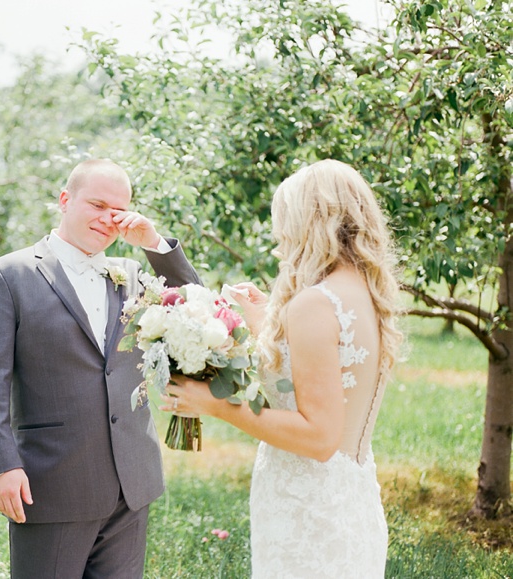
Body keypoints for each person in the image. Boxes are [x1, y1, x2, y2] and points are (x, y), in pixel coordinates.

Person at [161, 159, 402, 578]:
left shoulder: (315, 303)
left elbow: (320, 437)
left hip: (308, 514)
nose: (280, 235)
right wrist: (264, 323)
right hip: (349, 502)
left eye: (284, 220)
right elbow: (322, 378)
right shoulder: (366, 292)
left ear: (310, 221)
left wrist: (214, 405)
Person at [0, 158, 201, 578]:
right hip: (52, 485)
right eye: (96, 204)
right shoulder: (8, 275)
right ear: (64, 200)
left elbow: (199, 314)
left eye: (118, 210)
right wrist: (1, 465)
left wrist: (154, 244)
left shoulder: (130, 274)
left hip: (132, 485)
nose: (107, 219)